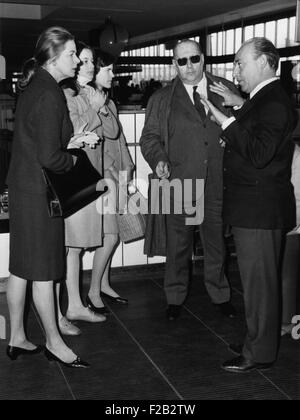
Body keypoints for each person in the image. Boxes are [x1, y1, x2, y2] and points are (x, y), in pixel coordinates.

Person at [201, 37, 296, 373]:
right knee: (258, 284)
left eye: (241, 63)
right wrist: (239, 105)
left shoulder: (274, 103)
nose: (235, 69)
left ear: (266, 63)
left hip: (259, 209)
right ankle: (257, 341)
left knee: (259, 287)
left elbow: (258, 152)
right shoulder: (264, 98)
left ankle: (258, 353)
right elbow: (258, 129)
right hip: (255, 208)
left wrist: (224, 120)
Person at [6, 27, 89, 368]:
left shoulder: (35, 86)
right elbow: (49, 157)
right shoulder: (50, 93)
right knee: (42, 270)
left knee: (21, 269)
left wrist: (66, 143)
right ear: (54, 57)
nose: (77, 59)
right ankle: (54, 343)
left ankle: (16, 337)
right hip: (39, 192)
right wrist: (71, 158)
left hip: (23, 188)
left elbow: (36, 141)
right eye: (72, 54)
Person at [140, 39, 237, 321]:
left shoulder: (224, 89)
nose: (189, 66)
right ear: (174, 65)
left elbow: (242, 128)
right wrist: (159, 159)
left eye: (193, 59)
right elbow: (149, 138)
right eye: (181, 61)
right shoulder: (162, 99)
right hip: (179, 184)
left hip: (217, 182)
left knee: (216, 243)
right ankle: (174, 297)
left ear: (203, 59)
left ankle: (220, 295)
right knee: (178, 245)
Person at [57, 42, 107, 335]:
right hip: (75, 177)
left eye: (90, 61)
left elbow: (109, 132)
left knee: (76, 248)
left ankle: (74, 304)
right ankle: (71, 306)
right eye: (82, 60)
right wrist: (95, 108)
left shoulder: (90, 93)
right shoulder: (68, 94)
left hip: (90, 177)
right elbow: (74, 133)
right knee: (70, 248)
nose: (87, 65)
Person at [86, 51, 134, 313]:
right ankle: (94, 290)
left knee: (109, 236)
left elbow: (121, 142)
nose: (113, 75)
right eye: (108, 70)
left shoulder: (108, 102)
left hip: (114, 177)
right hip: (102, 179)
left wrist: (127, 172)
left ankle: (102, 285)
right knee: (111, 236)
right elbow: (108, 135)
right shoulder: (91, 102)